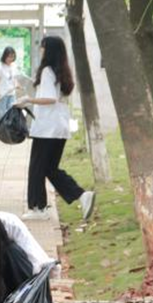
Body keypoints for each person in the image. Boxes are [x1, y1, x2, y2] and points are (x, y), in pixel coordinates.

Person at [16, 36, 95, 221]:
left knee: (37, 167)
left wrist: (27, 100)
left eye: (42, 47)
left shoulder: (46, 71)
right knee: (50, 169)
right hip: (59, 127)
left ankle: (37, 208)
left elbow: (49, 98)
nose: (40, 50)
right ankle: (81, 196)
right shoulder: (62, 71)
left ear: (48, 50)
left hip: (47, 128)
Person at [0, 46, 23, 122]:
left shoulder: (13, 66)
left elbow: (14, 78)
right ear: (4, 56)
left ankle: (9, 133)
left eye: (12, 57)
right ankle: (0, 133)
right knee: (1, 116)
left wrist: (17, 84)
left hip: (12, 94)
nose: (11, 59)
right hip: (2, 95)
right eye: (9, 57)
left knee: (11, 115)